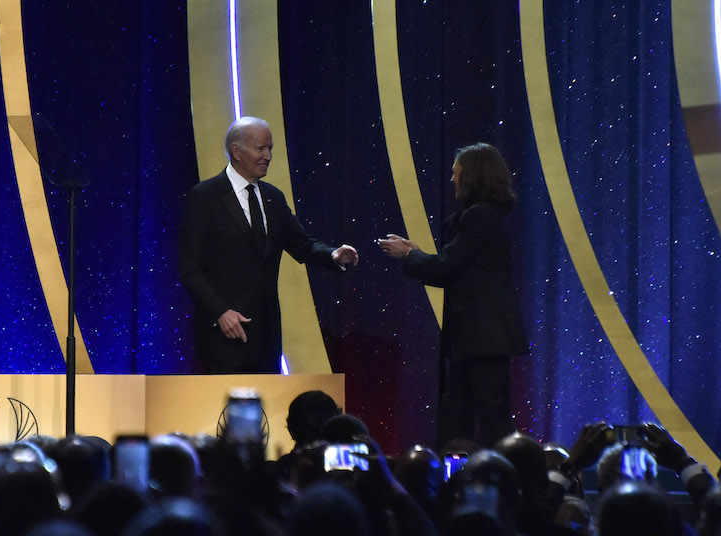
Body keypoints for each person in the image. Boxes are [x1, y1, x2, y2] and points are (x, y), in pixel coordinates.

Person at [180, 116, 359, 373]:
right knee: (227, 412)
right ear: (237, 151)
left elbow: (302, 244)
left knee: (265, 413)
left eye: (270, 148)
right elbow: (191, 269)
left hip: (266, 337)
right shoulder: (205, 197)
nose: (268, 156)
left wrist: (332, 254)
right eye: (260, 148)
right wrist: (220, 312)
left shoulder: (273, 198)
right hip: (225, 336)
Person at [378, 142, 527, 447]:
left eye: (456, 173)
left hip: (485, 337)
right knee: (455, 417)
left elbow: (446, 266)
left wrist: (408, 256)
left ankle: (507, 484)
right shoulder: (481, 217)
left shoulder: (480, 216)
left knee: (492, 420)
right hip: (472, 339)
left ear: (472, 175)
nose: (451, 179)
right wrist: (417, 255)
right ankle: (451, 480)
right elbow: (456, 270)